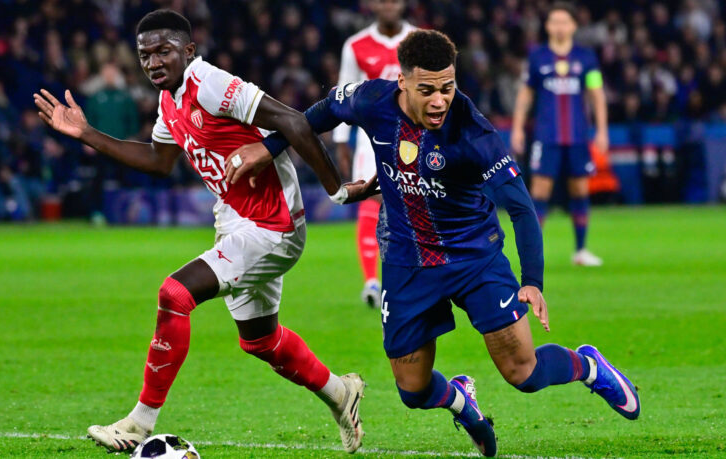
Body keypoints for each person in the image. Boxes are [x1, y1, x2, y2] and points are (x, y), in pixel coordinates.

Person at [227, 29, 640, 457]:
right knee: (412, 389)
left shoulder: (474, 133)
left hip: (474, 257)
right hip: (407, 260)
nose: (440, 100)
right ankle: (462, 401)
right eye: (427, 90)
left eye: (448, 87)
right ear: (402, 82)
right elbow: (321, 112)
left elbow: (521, 208)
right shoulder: (372, 100)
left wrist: (532, 281)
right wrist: (268, 147)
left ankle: (590, 368)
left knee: (523, 372)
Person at [33, 9, 373, 454]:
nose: (153, 62)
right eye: (145, 55)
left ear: (188, 50)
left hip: (274, 224)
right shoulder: (169, 101)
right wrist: (87, 134)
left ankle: (139, 423)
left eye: (163, 51)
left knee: (174, 294)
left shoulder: (209, 83)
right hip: (235, 218)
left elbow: (293, 121)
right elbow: (159, 161)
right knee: (260, 340)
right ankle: (340, 393)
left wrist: (337, 190)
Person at [510, 2, 608, 266]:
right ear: (547, 26)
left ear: (574, 26)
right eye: (555, 22)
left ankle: (581, 250)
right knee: (540, 191)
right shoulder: (537, 57)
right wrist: (517, 127)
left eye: (565, 22)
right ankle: (533, 254)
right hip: (546, 136)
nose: (560, 27)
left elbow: (596, 94)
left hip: (577, 136)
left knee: (580, 189)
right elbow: (525, 93)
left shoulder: (586, 57)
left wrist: (601, 129)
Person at [333, 0, 415, 308]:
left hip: (415, 134)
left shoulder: (419, 40)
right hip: (371, 137)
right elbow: (343, 93)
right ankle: (371, 281)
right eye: (383, 1)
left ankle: (411, 273)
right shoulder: (356, 45)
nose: (389, 6)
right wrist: (342, 141)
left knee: (412, 201)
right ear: (374, 6)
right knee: (373, 197)